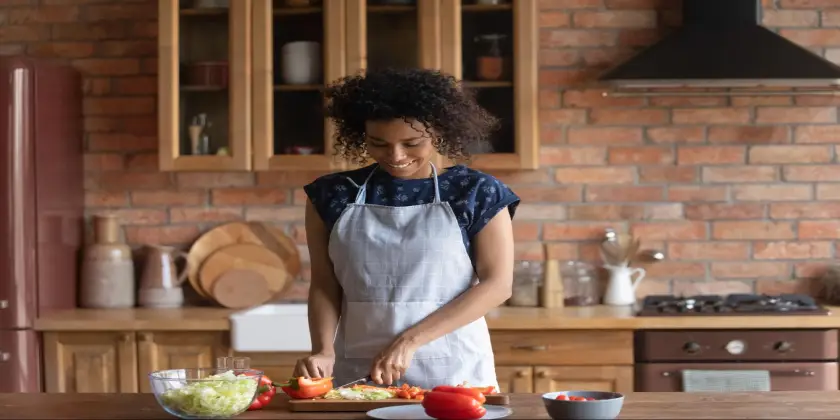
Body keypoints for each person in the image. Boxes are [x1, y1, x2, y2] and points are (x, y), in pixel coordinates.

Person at [295, 67, 520, 391]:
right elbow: (324, 283)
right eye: (379, 143)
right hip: (362, 372)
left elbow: (498, 285)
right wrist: (323, 349)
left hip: (455, 372)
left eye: (412, 143)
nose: (396, 156)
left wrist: (409, 340)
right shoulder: (331, 194)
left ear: (438, 132)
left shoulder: (477, 192)